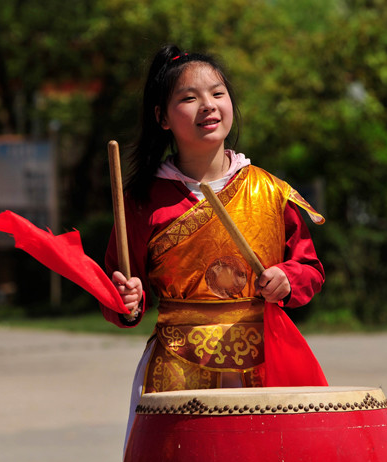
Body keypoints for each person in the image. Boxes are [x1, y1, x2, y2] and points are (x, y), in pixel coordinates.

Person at [101, 44, 325, 439]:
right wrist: (126, 300)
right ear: (162, 117)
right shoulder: (141, 202)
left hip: (264, 363)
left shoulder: (270, 191)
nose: (208, 105)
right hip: (175, 366)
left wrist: (287, 279)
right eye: (189, 98)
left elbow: (309, 269)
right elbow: (119, 291)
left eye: (217, 94)